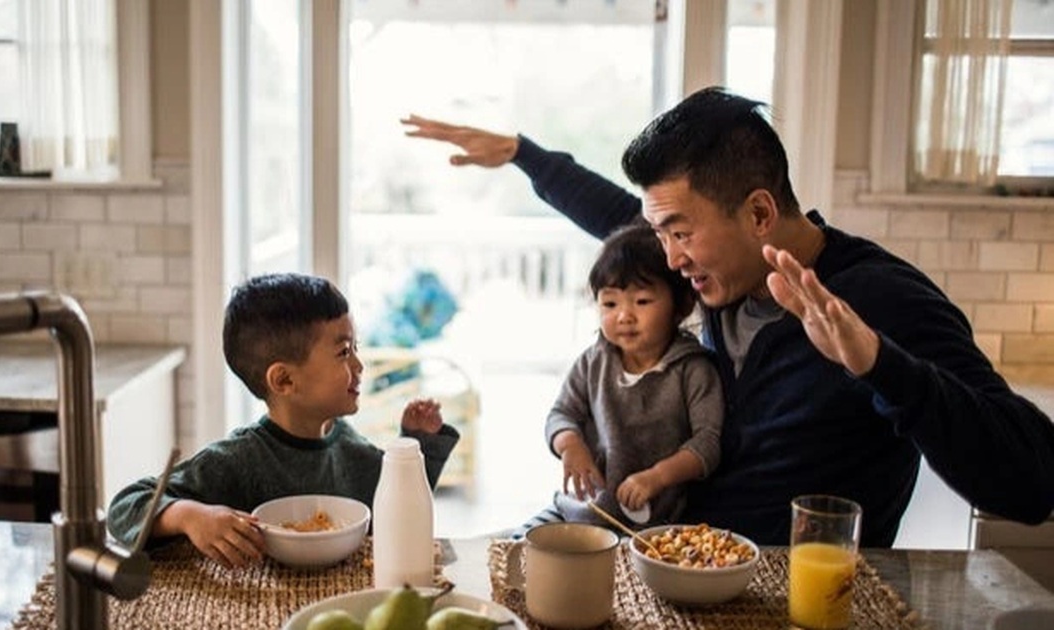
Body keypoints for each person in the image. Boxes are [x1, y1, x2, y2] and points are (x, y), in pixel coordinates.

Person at [402, 88, 1054, 547]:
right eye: (662, 235)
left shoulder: (882, 302)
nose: (669, 258)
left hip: (777, 598)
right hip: (657, 555)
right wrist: (526, 154)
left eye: (680, 233)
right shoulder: (722, 267)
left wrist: (880, 364)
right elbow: (621, 219)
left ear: (761, 214)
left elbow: (1030, 482)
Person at [107, 273, 460, 567]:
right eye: (343, 352)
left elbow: (402, 511)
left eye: (356, 349)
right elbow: (125, 508)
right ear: (285, 381)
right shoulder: (237, 461)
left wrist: (415, 444)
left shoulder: (350, 447)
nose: (358, 366)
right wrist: (189, 516)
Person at [523, 222, 724, 534]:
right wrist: (570, 446)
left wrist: (657, 477)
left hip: (656, 527)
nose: (624, 316)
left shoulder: (693, 369)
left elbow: (708, 443)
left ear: (682, 305)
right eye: (610, 303)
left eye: (642, 301)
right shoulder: (593, 362)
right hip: (578, 511)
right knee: (519, 547)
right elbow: (560, 414)